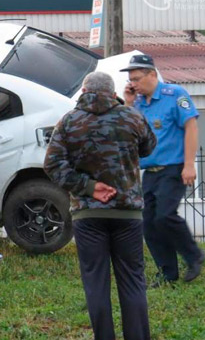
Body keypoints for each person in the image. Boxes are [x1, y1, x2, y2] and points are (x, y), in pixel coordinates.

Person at [45, 71, 156, 340]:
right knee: (132, 281)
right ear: (112, 92)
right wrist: (127, 107)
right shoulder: (132, 117)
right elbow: (149, 147)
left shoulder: (69, 122)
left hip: (88, 214)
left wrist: (88, 187)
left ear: (84, 91)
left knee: (96, 283)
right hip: (127, 213)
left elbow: (52, 165)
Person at [122, 54, 205, 286]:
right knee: (149, 222)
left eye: (137, 79)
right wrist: (128, 103)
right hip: (151, 171)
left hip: (174, 167)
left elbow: (191, 127)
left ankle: (194, 255)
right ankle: (167, 273)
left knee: (165, 215)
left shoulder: (175, 95)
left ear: (152, 74)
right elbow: (127, 130)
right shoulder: (138, 103)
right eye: (131, 80)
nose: (134, 84)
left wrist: (189, 164)